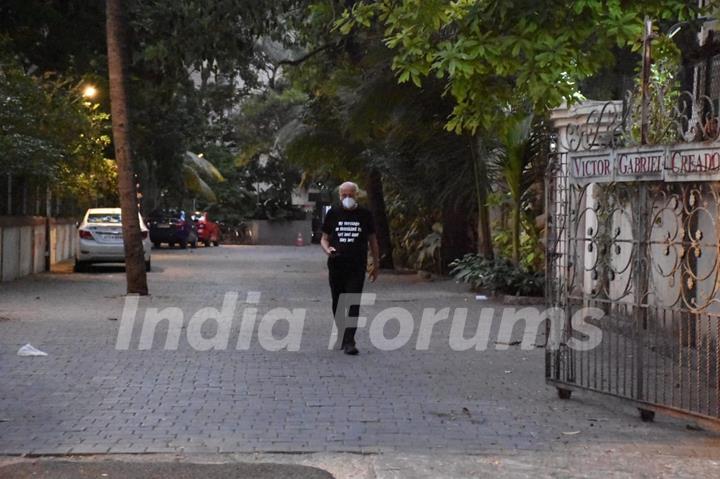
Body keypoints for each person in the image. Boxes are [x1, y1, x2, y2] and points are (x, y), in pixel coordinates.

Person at [320, 181, 379, 355]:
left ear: (356, 195)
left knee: (353, 301)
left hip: (357, 265)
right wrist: (327, 249)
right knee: (338, 301)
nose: (347, 198)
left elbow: (373, 240)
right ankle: (342, 332)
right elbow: (324, 238)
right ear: (339, 196)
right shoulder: (333, 213)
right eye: (343, 195)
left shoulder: (365, 214)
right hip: (337, 263)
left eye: (350, 195)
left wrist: (376, 263)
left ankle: (349, 341)